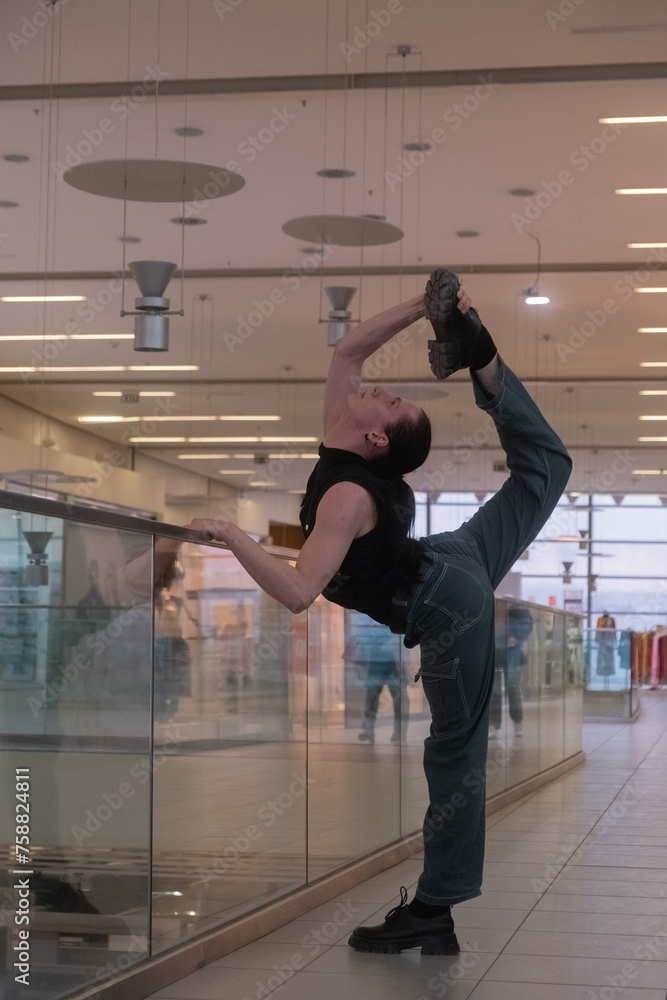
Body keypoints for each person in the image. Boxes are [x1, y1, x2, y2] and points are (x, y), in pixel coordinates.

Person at [187, 269, 572, 956]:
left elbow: (301, 590)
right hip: (449, 555)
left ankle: (433, 906)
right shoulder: (342, 433)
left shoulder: (346, 499)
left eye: (388, 403)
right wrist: (430, 312)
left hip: (442, 595)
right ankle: (482, 361)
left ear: (377, 442)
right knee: (544, 470)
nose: (380, 390)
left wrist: (235, 534)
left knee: (454, 750)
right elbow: (347, 353)